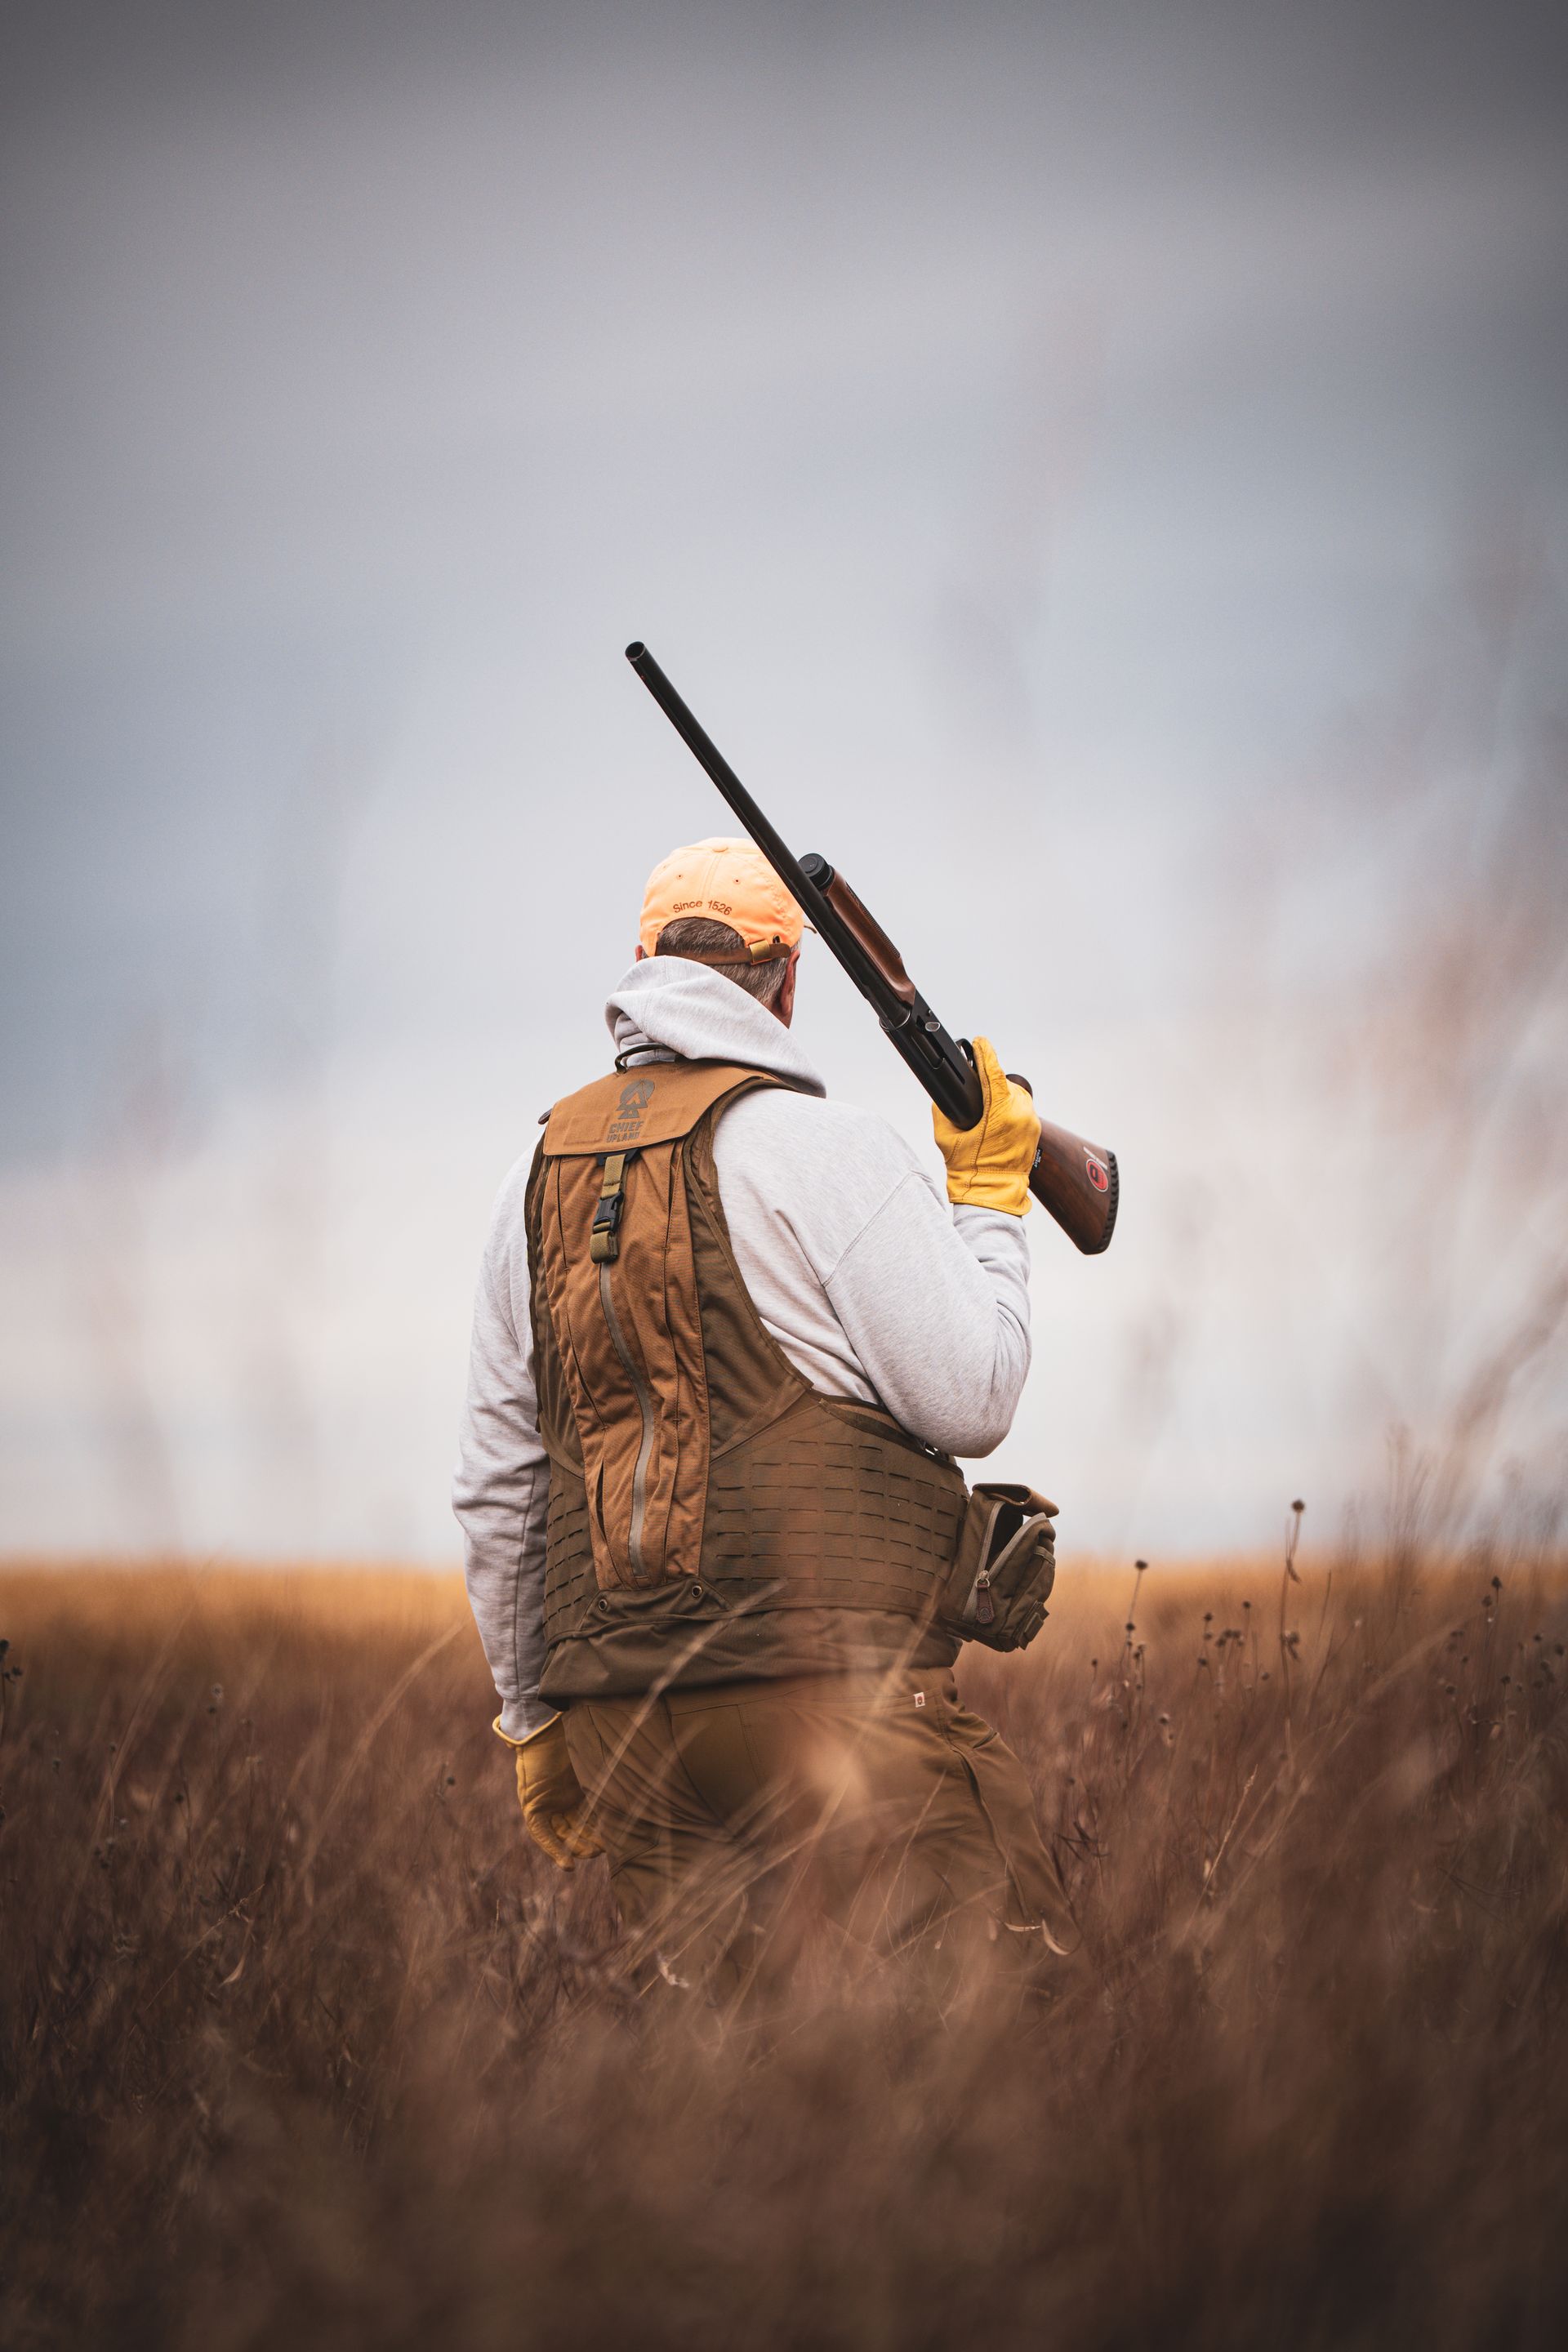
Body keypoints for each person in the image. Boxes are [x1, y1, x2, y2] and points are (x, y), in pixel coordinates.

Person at [453, 835, 1076, 1995]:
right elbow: (975, 1397)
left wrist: (534, 1720)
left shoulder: (528, 1180)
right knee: (1001, 2044)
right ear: (789, 984)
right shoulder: (826, 1151)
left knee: (731, 2116)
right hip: (829, 1704)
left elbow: (499, 1485)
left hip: (620, 1727)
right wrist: (990, 1201)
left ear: (640, 967)